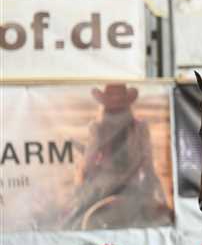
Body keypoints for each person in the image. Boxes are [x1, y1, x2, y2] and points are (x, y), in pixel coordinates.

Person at [63, 83, 171, 230]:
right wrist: (152, 190)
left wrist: (85, 184)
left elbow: (89, 163)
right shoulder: (139, 127)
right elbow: (148, 164)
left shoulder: (98, 127)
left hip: (105, 186)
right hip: (132, 186)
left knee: (77, 219)